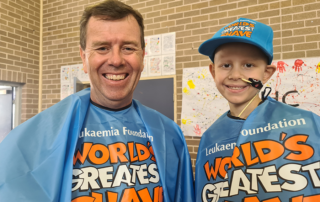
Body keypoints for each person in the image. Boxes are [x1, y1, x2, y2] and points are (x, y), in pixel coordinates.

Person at [0, 1, 194, 201]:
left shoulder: (170, 135)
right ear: (84, 57)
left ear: (143, 57)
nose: (116, 60)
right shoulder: (37, 138)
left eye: (128, 48)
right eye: (102, 48)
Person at [195, 18, 320, 202]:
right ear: (213, 71)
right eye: (226, 65)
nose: (235, 75)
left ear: (267, 73)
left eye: (248, 65)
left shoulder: (309, 124)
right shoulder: (210, 138)